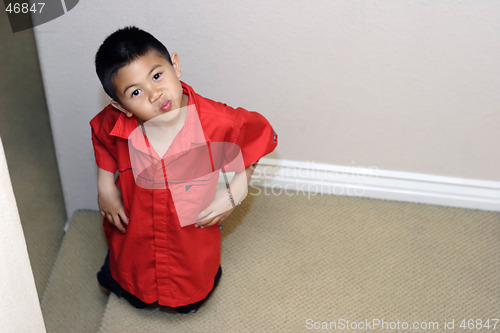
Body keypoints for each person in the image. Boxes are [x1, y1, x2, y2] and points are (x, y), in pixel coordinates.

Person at [91, 26, 277, 313]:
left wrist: (236, 190)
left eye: (157, 76)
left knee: (189, 292)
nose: (154, 94)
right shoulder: (115, 121)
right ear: (121, 106)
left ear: (175, 65)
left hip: (189, 237)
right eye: (136, 92)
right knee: (129, 278)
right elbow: (101, 136)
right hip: (135, 231)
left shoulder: (218, 121)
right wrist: (105, 185)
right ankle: (128, 283)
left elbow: (258, 137)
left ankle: (188, 296)